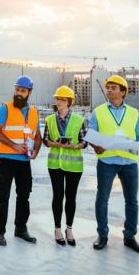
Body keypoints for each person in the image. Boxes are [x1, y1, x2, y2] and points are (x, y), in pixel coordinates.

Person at [90, 75, 139, 254]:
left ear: (123, 91)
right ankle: (102, 235)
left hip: (129, 163)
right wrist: (96, 146)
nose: (109, 90)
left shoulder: (133, 113)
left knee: (132, 201)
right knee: (102, 199)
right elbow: (91, 134)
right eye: (108, 87)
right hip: (107, 161)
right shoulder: (98, 111)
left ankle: (130, 236)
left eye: (113, 87)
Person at [0, 75, 41, 246]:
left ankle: (20, 229)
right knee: (3, 196)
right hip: (6, 160)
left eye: (23, 91)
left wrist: (35, 152)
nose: (19, 93)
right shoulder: (6, 108)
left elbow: (38, 136)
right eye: (17, 90)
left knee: (24, 196)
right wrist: (13, 145)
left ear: (29, 92)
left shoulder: (34, 112)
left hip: (24, 162)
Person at [42, 86, 87, 246]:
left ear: (69, 102)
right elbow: (45, 140)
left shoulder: (78, 120)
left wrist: (74, 146)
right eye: (57, 99)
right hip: (55, 165)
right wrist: (52, 143)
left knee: (71, 197)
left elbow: (84, 142)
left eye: (62, 99)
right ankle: (57, 229)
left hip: (74, 166)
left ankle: (69, 228)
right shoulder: (49, 120)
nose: (59, 102)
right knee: (57, 196)